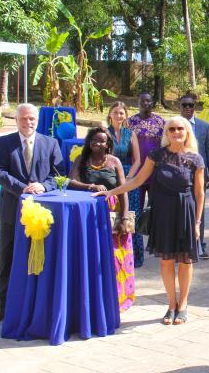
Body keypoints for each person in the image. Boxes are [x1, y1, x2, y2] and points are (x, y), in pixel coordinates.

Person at [95, 116, 205, 326]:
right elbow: (137, 180)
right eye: (171, 129)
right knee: (165, 260)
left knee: (185, 261)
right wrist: (112, 192)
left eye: (180, 128)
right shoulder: (157, 155)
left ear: (187, 131)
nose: (176, 132)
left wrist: (198, 223)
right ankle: (171, 304)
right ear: (166, 133)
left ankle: (183, 305)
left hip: (186, 212)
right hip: (163, 212)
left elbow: (200, 194)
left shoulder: (195, 159)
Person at [0, 103, 63, 324]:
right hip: (13, 212)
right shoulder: (3, 143)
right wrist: (22, 188)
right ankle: (1, 306)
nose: (28, 123)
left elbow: (60, 174)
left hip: (43, 214)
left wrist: (43, 186)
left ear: (37, 120)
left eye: (32, 119)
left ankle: (36, 307)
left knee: (40, 259)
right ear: (17, 120)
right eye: (24, 119)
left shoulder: (50, 143)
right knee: (7, 259)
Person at [68, 127, 134, 311]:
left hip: (113, 213)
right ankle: (96, 298)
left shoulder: (114, 162)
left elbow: (123, 190)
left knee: (116, 257)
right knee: (94, 256)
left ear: (108, 144)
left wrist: (124, 216)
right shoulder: (81, 159)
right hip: (90, 214)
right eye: (94, 140)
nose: (97, 144)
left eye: (102, 141)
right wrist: (90, 186)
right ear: (89, 142)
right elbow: (70, 181)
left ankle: (119, 299)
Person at [128, 91, 165, 267]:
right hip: (136, 175)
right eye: (143, 101)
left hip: (156, 174)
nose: (146, 103)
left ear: (153, 102)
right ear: (138, 102)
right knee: (135, 211)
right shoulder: (130, 122)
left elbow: (166, 146)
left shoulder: (160, 122)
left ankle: (159, 245)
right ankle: (135, 249)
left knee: (157, 210)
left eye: (149, 101)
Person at [180, 93, 209, 260]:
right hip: (178, 174)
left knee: (199, 209)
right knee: (179, 209)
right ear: (179, 107)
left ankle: (199, 244)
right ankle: (180, 247)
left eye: (191, 105)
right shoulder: (173, 125)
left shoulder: (204, 126)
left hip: (199, 173)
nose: (188, 108)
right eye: (184, 105)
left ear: (195, 107)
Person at [107, 102, 144, 266]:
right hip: (110, 177)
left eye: (122, 113)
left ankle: (134, 256)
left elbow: (137, 160)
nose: (118, 115)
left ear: (125, 115)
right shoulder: (104, 133)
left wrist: (129, 177)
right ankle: (113, 254)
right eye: (115, 112)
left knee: (131, 215)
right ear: (110, 115)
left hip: (129, 178)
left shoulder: (131, 134)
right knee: (112, 215)